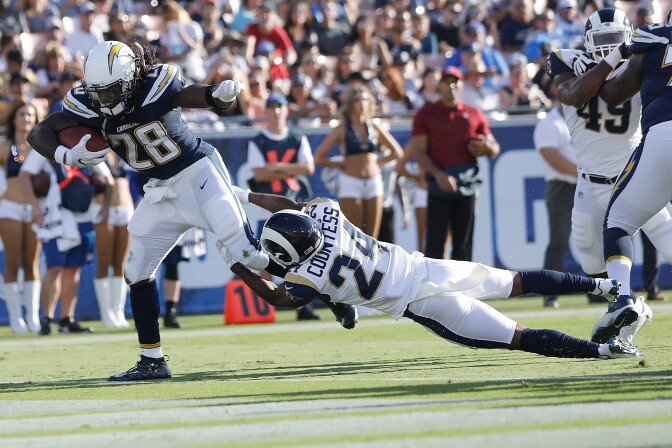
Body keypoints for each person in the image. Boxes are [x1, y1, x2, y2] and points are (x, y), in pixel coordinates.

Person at [26, 40, 284, 380]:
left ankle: (320, 278)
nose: (106, 100)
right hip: (159, 192)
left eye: (112, 91)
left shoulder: (155, 83)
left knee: (249, 255)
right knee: (136, 271)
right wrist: (65, 155)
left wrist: (216, 96)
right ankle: (152, 360)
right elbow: (38, 132)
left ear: (132, 77)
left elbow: (190, 94)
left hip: (198, 176)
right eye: (99, 93)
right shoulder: (87, 102)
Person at [229, 190, 641, 361]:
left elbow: (279, 296)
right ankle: (607, 286)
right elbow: (290, 204)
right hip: (427, 266)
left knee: (514, 336)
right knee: (515, 281)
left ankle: (603, 353)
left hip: (419, 302)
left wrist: (238, 265)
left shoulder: (307, 280)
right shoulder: (325, 212)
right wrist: (245, 195)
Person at [547, 7, 672, 343]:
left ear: (629, 34)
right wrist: (619, 52)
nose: (608, 45)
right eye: (602, 40)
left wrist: (632, 52)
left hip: (636, 171)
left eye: (616, 38)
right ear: (587, 40)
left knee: (664, 239)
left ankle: (624, 304)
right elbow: (574, 94)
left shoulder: (641, 54)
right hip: (590, 182)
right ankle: (623, 303)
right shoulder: (566, 58)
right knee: (590, 263)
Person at [590, 9, 672, 344]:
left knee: (620, 220)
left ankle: (623, 297)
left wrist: (615, 59)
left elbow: (614, 94)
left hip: (665, 131)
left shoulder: (653, 36)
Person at [18, 139, 113, 336]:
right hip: (56, 215)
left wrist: (105, 210)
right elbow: (24, 176)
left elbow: (108, 180)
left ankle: (66, 319)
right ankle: (47, 318)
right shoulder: (46, 147)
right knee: (54, 266)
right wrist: (35, 207)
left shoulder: (89, 148)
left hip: (83, 215)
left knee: (73, 269)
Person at [408, 66, 499, 261]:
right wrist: (438, 174)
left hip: (466, 185)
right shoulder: (426, 114)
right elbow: (418, 151)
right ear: (439, 85)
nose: (451, 85)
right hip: (437, 186)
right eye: (446, 81)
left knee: (463, 246)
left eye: (455, 81)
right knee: (434, 246)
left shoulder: (474, 114)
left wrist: (487, 149)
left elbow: (494, 148)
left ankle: (462, 290)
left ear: (461, 85)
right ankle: (432, 290)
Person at [246, 92, 320, 321]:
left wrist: (277, 167)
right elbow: (259, 173)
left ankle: (303, 303)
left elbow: (308, 168)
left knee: (304, 257)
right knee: (266, 257)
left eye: (280, 106)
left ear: (287, 110)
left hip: (295, 205)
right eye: (272, 107)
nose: (276, 111)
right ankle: (266, 305)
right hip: (268, 208)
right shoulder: (258, 140)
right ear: (266, 111)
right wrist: (291, 168)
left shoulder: (297, 138)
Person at [314, 85, 403, 239]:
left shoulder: (374, 126)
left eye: (365, 99)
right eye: (357, 100)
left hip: (374, 181)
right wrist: (339, 164)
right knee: (354, 235)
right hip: (350, 182)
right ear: (350, 104)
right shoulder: (342, 128)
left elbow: (397, 152)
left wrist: (377, 164)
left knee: (372, 237)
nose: (362, 103)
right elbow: (318, 157)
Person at [0, 101, 42, 333]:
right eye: (22, 114)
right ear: (14, 118)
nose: (26, 118)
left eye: (30, 114)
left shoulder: (41, 147)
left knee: (32, 264)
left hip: (35, 209)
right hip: (10, 208)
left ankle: (33, 317)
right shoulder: (6, 147)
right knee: (13, 262)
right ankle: (16, 318)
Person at [533, 90, 577, 308]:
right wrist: (583, 172)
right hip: (561, 188)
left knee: (595, 240)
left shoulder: (582, 117)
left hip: (585, 187)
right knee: (558, 240)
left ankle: (600, 290)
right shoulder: (549, 122)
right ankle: (549, 293)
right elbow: (551, 157)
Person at [91, 153, 134, 328]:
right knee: (104, 262)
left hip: (125, 209)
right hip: (103, 209)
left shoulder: (122, 150)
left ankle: (118, 311)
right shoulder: (95, 150)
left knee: (121, 265)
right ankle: (106, 313)